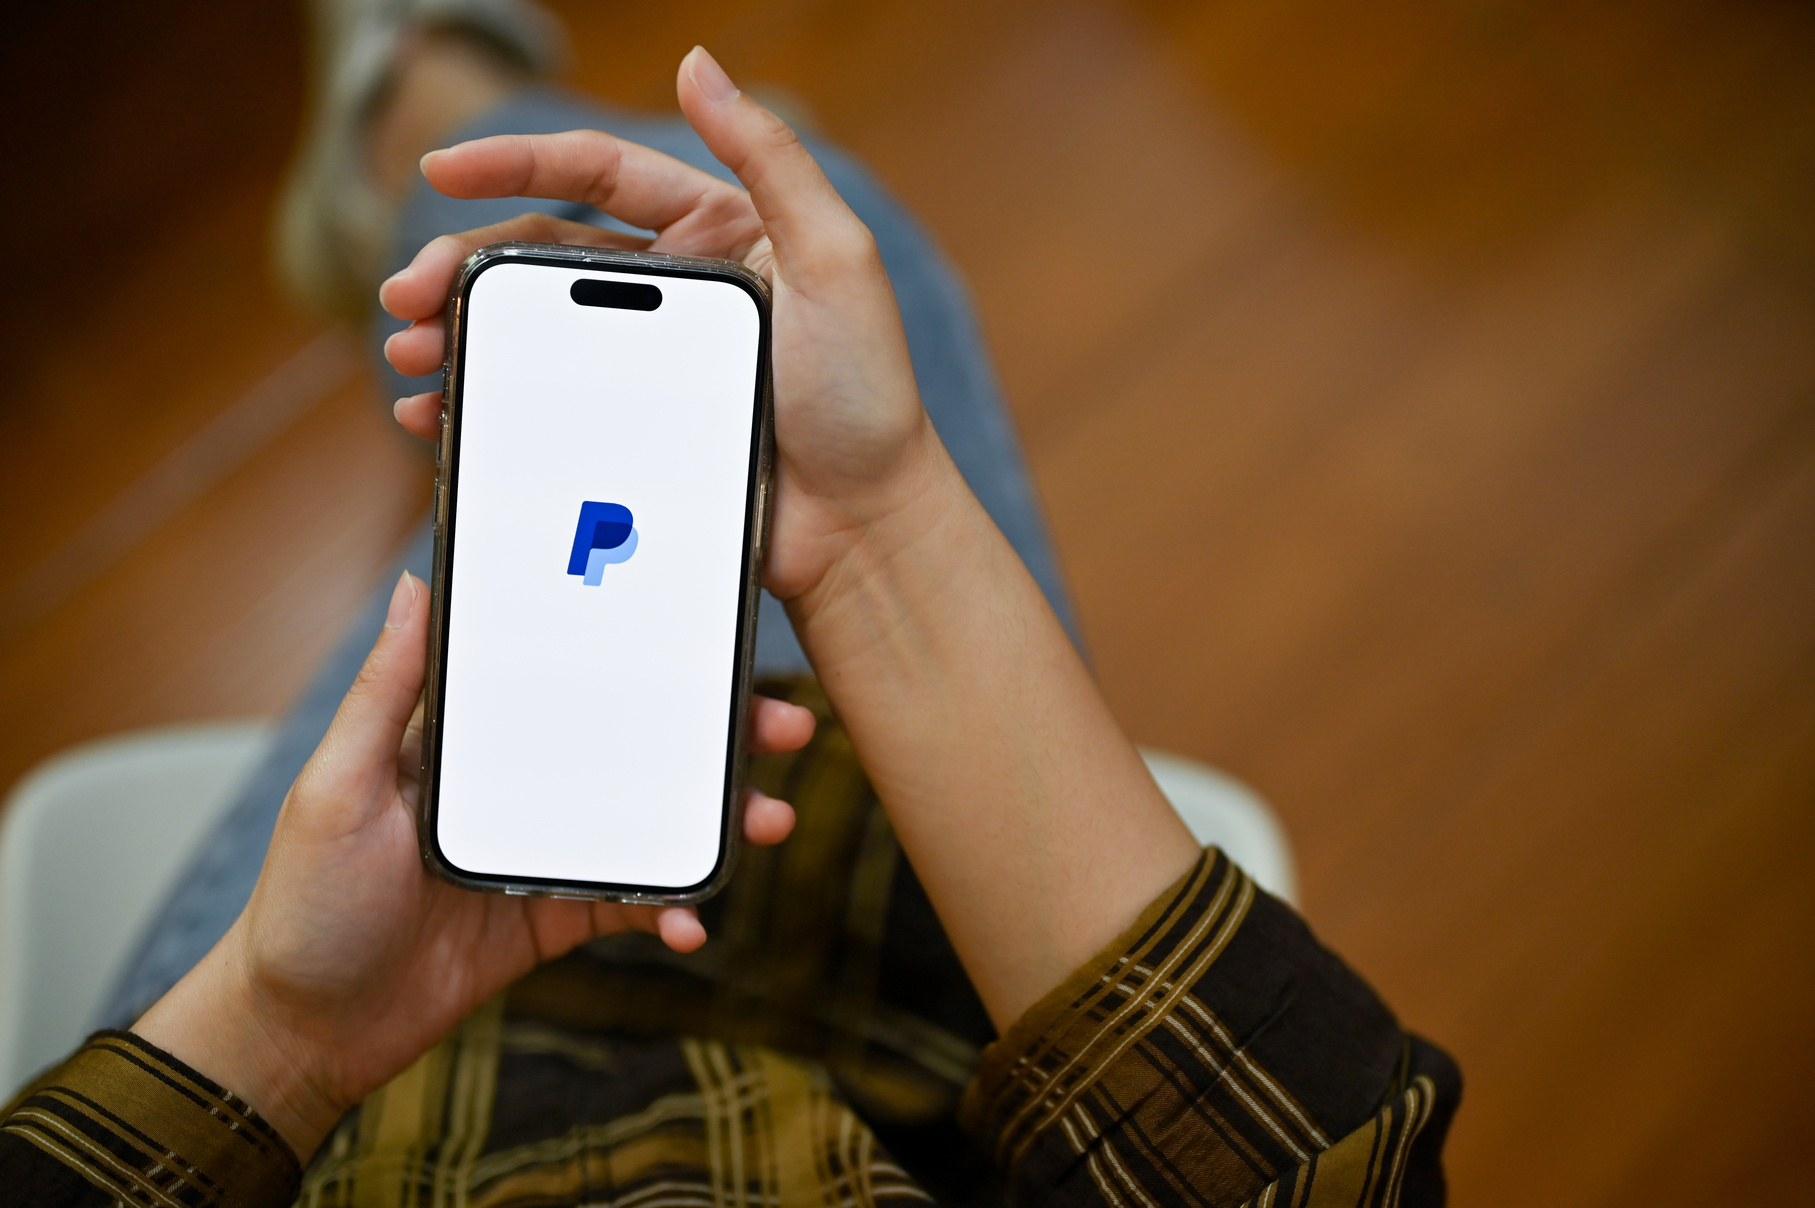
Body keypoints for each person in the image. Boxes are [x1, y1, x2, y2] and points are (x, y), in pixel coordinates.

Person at [0, 7, 1459, 1205]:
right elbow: (1309, 1172)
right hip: (924, 1066)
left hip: (355, 1104)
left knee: (634, 282)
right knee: (805, 248)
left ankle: (415, 104)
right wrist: (879, 537)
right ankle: (452, 98)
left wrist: (296, 1032)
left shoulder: (326, 1021)